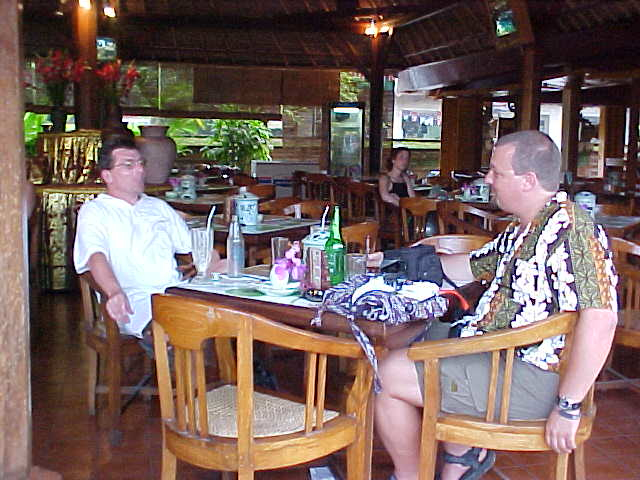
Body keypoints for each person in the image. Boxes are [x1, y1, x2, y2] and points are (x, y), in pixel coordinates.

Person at [374, 131, 618, 480]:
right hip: (498, 355)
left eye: (496, 173)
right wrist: (391, 263)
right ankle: (462, 453)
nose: (487, 180)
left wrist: (569, 406)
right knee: (406, 338)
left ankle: (418, 473)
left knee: (388, 374)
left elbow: (602, 319)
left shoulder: (572, 231)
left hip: (534, 379)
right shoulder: (526, 226)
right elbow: (467, 266)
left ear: (528, 180)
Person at [73, 137, 197, 338]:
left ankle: (244, 369)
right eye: (128, 165)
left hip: (177, 292)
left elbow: (193, 250)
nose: (139, 170)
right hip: (134, 298)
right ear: (107, 176)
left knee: (225, 318)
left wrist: (213, 264)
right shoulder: (95, 211)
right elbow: (95, 256)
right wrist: (113, 292)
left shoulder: (158, 207)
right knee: (177, 330)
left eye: (141, 164)